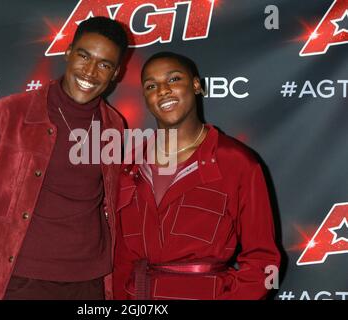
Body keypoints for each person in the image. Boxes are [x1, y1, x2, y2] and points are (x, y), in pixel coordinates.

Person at [0, 17, 129, 300]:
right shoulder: (11, 113)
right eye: (84, 56)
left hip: (90, 280)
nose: (91, 71)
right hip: (22, 278)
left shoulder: (113, 125)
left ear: (116, 73)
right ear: (68, 52)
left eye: (104, 64)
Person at [113, 52, 281, 300]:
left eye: (173, 79)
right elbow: (121, 259)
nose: (163, 90)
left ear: (196, 85)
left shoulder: (236, 162)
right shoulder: (131, 165)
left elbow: (263, 260)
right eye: (151, 85)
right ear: (145, 98)